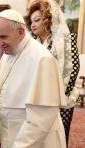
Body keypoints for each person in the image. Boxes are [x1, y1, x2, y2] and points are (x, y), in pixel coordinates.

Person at [0, 9, 66, 148]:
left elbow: (41, 119)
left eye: (3, 37)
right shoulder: (7, 55)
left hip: (35, 141)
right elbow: (1, 102)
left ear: (20, 32)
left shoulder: (42, 59)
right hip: (11, 136)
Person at [25, 0, 80, 144]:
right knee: (39, 139)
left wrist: (57, 100)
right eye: (31, 21)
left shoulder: (68, 40)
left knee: (58, 138)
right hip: (37, 100)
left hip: (61, 101)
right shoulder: (32, 44)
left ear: (48, 20)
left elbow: (73, 70)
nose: (33, 24)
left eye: (37, 20)